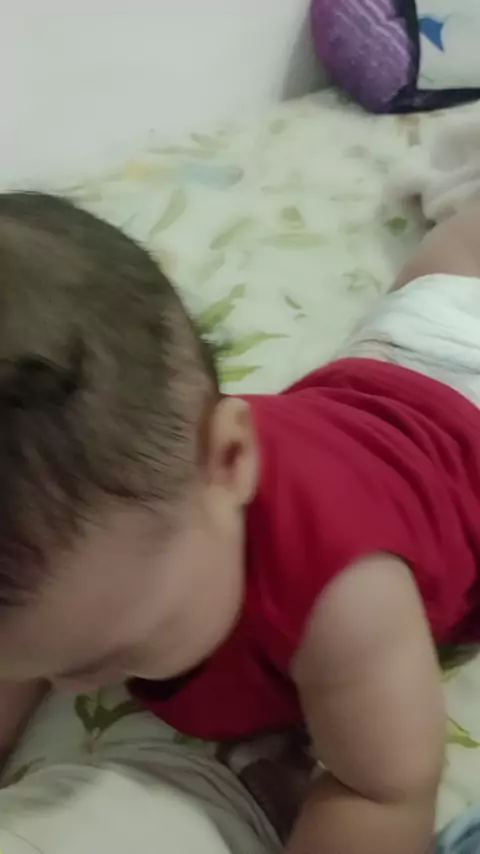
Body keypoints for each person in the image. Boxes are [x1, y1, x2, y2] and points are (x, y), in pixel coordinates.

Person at [1, 192, 480, 854]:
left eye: (106, 657)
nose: (67, 685)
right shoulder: (106, 539)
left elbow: (383, 789)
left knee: (454, 267)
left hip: (448, 392)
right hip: (393, 376)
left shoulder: (345, 596)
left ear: (229, 461)